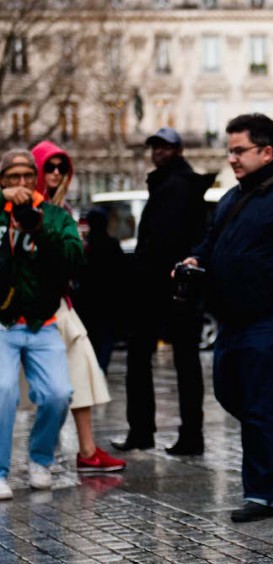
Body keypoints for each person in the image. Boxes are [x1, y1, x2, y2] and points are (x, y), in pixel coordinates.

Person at [181, 114, 273, 522]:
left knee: (261, 401)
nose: (231, 158)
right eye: (229, 150)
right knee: (230, 394)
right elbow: (211, 243)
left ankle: (262, 495)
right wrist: (195, 259)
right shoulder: (232, 197)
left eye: (239, 150)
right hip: (234, 319)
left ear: (266, 152)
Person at [112, 128, 213, 456]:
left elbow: (159, 243)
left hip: (162, 287)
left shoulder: (174, 186)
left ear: (179, 149)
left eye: (165, 146)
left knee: (150, 357)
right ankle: (184, 434)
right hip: (173, 287)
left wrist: (141, 277)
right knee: (182, 361)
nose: (158, 151)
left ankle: (148, 431)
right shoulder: (175, 184)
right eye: (155, 146)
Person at [30, 141, 125, 473]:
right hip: (24, 306)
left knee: (80, 365)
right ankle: (50, 451)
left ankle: (85, 448)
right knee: (17, 387)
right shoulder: (21, 208)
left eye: (62, 168)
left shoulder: (63, 210)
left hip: (59, 304)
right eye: (49, 166)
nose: (56, 173)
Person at [0, 149, 83, 500]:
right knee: (2, 390)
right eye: (12, 178)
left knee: (58, 393)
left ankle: (40, 459)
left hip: (42, 322)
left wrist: (40, 229)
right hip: (3, 323)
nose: (21, 184)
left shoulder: (54, 215)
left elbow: (75, 260)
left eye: (27, 177)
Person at [73, 207, 125, 373]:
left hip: (89, 300)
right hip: (107, 300)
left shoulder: (86, 246)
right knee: (105, 338)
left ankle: (96, 369)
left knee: (94, 337)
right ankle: (100, 369)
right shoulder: (111, 244)